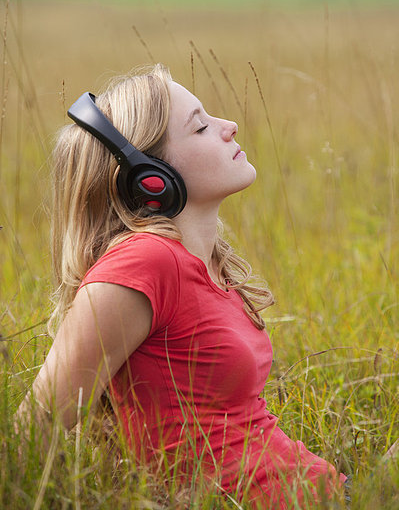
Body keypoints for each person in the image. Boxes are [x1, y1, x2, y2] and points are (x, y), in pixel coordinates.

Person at [17, 64, 348, 508]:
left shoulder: (204, 263)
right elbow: (33, 427)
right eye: (201, 127)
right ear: (149, 175)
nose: (229, 127)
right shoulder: (144, 264)